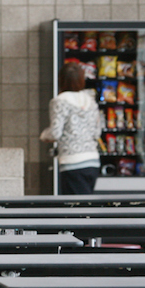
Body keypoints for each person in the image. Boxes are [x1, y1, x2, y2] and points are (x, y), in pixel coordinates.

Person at [40, 63, 102, 195]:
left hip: (72, 162)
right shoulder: (90, 100)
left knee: (75, 208)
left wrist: (43, 136)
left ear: (61, 79)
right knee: (86, 205)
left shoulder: (60, 101)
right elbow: (97, 132)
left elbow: (55, 132)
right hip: (92, 161)